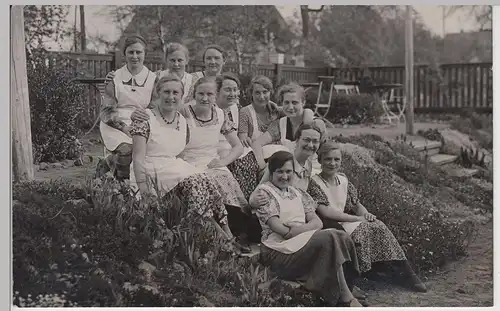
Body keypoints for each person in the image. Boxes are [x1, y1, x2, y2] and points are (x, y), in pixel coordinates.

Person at [128, 75, 237, 246]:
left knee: (205, 179)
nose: (171, 97)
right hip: (150, 169)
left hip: (172, 167)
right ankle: (219, 236)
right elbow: (137, 158)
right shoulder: (144, 119)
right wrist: (144, 189)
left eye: (175, 93)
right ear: (158, 93)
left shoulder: (181, 119)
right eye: (166, 92)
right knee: (195, 181)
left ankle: (225, 229)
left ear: (182, 96)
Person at [308, 141, 428, 293]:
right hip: (331, 224)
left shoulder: (343, 180)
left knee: (378, 225)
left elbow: (356, 205)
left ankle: (406, 272)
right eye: (328, 159)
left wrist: (365, 214)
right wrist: (357, 219)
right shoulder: (315, 183)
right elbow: (326, 212)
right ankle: (360, 275)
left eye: (336, 159)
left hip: (347, 221)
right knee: (363, 230)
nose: (332, 163)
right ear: (320, 160)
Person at [253, 151, 363, 307]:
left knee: (341, 236)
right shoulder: (265, 193)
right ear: (271, 173)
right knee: (330, 237)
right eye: (280, 172)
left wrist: (297, 230)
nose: (285, 176)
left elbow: (317, 223)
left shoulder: (297, 192)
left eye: (288, 171)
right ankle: (346, 297)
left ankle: (346, 287)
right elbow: (278, 228)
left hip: (298, 243)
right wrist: (300, 230)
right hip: (277, 251)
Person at [178, 76, 249, 217]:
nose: (205, 98)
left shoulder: (220, 114)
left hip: (212, 162)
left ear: (216, 96)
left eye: (209, 94)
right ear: (194, 95)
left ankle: (229, 225)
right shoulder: (184, 113)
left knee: (225, 182)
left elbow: (238, 147)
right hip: (188, 163)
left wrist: (222, 162)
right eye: (201, 94)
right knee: (203, 185)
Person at [99, 34, 158, 181]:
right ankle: (122, 186)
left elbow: (155, 107)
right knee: (127, 150)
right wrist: (125, 128)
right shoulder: (114, 78)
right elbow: (106, 111)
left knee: (152, 153)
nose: (135, 56)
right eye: (130, 52)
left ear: (145, 54)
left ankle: (111, 165)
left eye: (139, 52)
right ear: (124, 54)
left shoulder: (153, 79)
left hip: (143, 122)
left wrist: (141, 122)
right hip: (116, 125)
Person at [251, 82, 327, 177]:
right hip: (288, 172)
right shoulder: (280, 124)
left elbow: (326, 151)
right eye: (286, 102)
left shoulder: (316, 124)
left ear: (303, 103)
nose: (290, 107)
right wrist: (262, 165)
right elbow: (256, 144)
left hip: (313, 172)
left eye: (294, 102)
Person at [105, 42, 196, 103]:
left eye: (180, 60)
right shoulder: (156, 77)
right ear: (166, 60)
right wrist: (112, 77)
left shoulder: (192, 81)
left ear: (187, 61)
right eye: (172, 60)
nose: (176, 64)